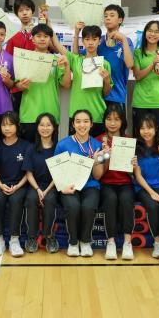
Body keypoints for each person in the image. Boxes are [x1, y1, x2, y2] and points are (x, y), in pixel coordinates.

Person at [55, 110, 107, 257]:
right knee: (73, 206)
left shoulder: (97, 145)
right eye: (78, 121)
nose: (82, 125)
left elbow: (97, 177)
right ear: (73, 124)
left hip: (90, 185)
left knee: (88, 206)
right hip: (68, 186)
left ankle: (85, 241)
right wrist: (63, 187)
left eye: (85, 121)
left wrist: (96, 161)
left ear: (91, 124)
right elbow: (57, 170)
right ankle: (73, 242)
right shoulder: (63, 144)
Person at [16, 24, 71, 143]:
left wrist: (67, 66)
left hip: (51, 114)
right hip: (29, 115)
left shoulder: (57, 60)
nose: (42, 39)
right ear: (33, 39)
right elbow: (16, 86)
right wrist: (21, 85)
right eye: (39, 36)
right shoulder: (24, 59)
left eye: (46, 36)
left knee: (50, 157)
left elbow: (66, 85)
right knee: (29, 154)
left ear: (50, 39)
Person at [133, 114, 159, 265]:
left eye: (149, 127)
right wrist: (151, 192)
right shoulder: (136, 148)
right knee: (152, 205)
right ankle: (157, 243)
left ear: (156, 129)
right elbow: (137, 176)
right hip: (143, 186)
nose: (146, 131)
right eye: (142, 128)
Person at [96, 104, 135, 260]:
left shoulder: (128, 140)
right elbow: (97, 170)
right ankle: (110, 243)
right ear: (104, 121)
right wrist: (105, 156)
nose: (112, 123)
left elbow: (132, 172)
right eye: (109, 119)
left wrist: (132, 163)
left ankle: (127, 243)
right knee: (111, 200)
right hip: (106, 183)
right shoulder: (98, 140)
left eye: (116, 119)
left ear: (122, 121)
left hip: (125, 182)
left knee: (126, 200)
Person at [0, 111, 30, 258]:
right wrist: (1, 186)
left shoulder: (26, 146)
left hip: (19, 185)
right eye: (4, 125)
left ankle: (14, 239)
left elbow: (28, 173)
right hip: (1, 184)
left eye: (10, 125)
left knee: (16, 200)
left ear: (17, 126)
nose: (7, 128)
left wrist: (17, 186)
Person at [22, 113, 60, 253]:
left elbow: (58, 175)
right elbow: (28, 173)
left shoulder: (58, 148)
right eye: (42, 125)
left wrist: (46, 191)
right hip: (35, 185)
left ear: (54, 128)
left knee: (50, 200)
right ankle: (32, 237)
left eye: (48, 125)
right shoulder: (31, 148)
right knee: (31, 199)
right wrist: (38, 189)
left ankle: (49, 236)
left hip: (52, 185)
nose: (45, 128)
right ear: (37, 128)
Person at [132, 20, 159, 135]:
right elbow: (137, 76)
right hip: (140, 101)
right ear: (145, 33)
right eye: (150, 31)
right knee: (140, 138)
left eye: (156, 32)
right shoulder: (137, 53)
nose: (153, 34)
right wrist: (152, 64)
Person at [69, 25, 112, 136]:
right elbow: (59, 46)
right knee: (76, 151)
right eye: (87, 39)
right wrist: (76, 32)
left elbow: (106, 93)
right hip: (76, 115)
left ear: (99, 41)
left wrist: (107, 80)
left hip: (97, 115)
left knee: (97, 151)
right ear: (83, 41)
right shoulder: (76, 61)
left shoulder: (105, 64)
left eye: (94, 39)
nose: (90, 43)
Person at [97, 4, 134, 109]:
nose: (108, 18)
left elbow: (130, 64)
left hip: (117, 96)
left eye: (112, 15)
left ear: (120, 20)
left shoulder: (126, 42)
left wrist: (124, 40)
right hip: (97, 96)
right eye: (105, 16)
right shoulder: (98, 41)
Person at [6, 0, 38, 112]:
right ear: (16, 14)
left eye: (27, 9)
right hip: (19, 87)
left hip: (38, 85)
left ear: (32, 11)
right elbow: (8, 63)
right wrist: (15, 84)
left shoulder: (40, 35)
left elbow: (51, 52)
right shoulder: (13, 38)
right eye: (20, 10)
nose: (24, 13)